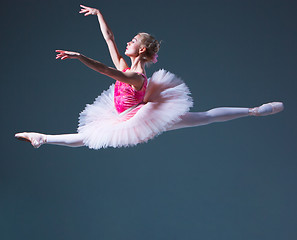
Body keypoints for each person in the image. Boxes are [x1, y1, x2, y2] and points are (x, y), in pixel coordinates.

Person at [15, 5, 284, 149]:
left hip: (139, 119)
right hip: (128, 115)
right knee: (87, 137)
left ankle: (254, 111)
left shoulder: (136, 76)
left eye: (133, 40)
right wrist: (99, 14)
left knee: (203, 118)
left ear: (141, 49)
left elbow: (104, 70)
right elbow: (109, 40)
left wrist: (78, 56)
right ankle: (42, 138)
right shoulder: (125, 64)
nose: (128, 42)